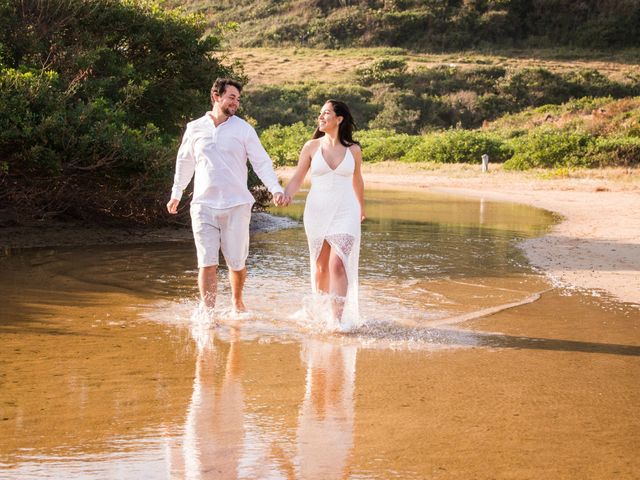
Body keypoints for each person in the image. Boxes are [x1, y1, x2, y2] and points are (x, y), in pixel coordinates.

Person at [167, 77, 285, 316]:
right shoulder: (195, 127)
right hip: (202, 205)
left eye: (238, 99)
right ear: (216, 97)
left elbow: (260, 162)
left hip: (237, 205)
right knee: (207, 262)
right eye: (231, 97)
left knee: (236, 263)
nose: (236, 103)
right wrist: (176, 193)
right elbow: (184, 162)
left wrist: (275, 188)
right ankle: (208, 314)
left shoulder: (243, 129)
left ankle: (236, 301)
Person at [284, 100, 365, 330]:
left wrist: (362, 207)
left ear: (339, 119)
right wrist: (286, 194)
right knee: (321, 266)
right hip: (317, 211)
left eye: (326, 113)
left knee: (338, 264)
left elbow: (357, 180)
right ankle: (320, 312)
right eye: (320, 113)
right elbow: (298, 177)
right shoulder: (311, 146)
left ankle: (336, 320)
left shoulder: (353, 149)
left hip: (346, 210)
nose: (321, 117)